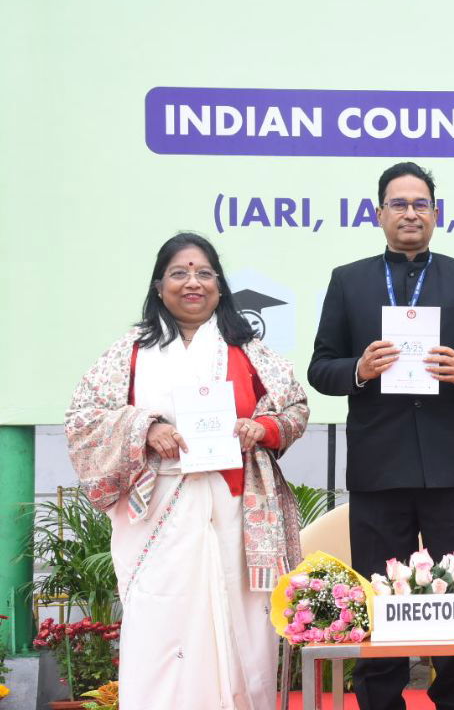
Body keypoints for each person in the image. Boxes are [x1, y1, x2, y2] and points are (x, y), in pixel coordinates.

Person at [65, 233, 309, 710]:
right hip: (158, 508)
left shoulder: (249, 349)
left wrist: (260, 427)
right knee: (163, 617)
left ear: (220, 285)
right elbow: (83, 418)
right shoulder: (130, 351)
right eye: (179, 273)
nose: (192, 283)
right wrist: (144, 426)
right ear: (159, 286)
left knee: (241, 619)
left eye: (204, 273)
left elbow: (295, 408)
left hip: (234, 507)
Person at [308, 162, 454, 710]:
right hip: (380, 463)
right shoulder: (347, 279)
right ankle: (379, 700)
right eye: (398, 204)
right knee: (379, 592)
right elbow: (320, 368)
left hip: (453, 463)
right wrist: (359, 368)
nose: (409, 213)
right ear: (379, 214)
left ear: (436, 214)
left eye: (420, 203)